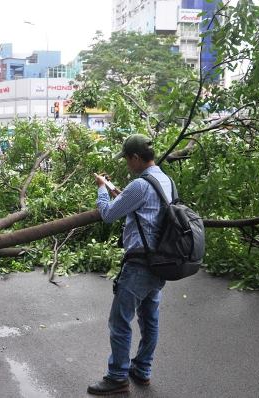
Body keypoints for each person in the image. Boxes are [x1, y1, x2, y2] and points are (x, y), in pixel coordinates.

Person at [87, 134, 172, 395]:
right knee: (149, 319)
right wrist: (117, 192)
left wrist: (102, 189)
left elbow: (109, 215)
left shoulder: (140, 185)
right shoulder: (164, 180)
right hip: (159, 262)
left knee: (120, 321)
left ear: (136, 158)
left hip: (138, 265)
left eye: (126, 158)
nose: (125, 163)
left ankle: (117, 377)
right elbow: (146, 207)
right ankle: (142, 370)